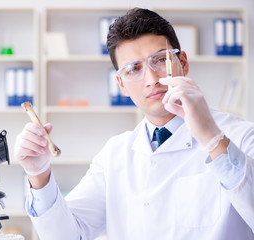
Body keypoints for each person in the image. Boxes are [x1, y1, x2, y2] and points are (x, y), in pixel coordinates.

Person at [14, 7, 254, 240]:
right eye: (134, 69)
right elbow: (68, 235)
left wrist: (213, 139)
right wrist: (39, 175)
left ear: (183, 62)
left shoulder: (241, 137)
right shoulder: (114, 155)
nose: (151, 79)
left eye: (160, 60)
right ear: (121, 84)